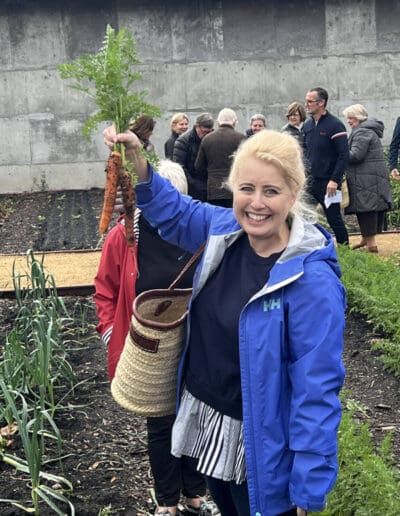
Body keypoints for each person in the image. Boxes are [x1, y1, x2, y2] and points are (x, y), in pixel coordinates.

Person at [103, 125, 346, 516]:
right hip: (209, 423)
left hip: (260, 445)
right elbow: (177, 212)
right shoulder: (225, 231)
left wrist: (309, 484)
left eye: (271, 191)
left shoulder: (310, 281)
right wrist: (139, 163)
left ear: (294, 195)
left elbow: (316, 390)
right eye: (246, 188)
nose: (256, 203)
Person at [94, 160, 219, 516]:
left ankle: (195, 495)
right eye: (163, 205)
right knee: (161, 422)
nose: (170, 216)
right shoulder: (126, 235)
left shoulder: (200, 233)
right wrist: (111, 335)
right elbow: (105, 290)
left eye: (177, 205)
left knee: (196, 417)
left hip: (196, 342)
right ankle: (167, 502)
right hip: (150, 347)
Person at [342, 104, 393, 253]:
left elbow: (356, 155)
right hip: (369, 178)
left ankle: (371, 246)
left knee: (366, 210)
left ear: (358, 118)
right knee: (367, 209)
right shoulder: (366, 131)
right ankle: (366, 239)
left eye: (351, 118)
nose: (349, 121)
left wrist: (339, 151)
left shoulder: (362, 132)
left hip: (366, 180)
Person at [302, 87, 349, 245]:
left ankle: (345, 249)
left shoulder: (335, 125)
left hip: (329, 183)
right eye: (306, 101)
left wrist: (334, 180)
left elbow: (344, 155)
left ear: (321, 103)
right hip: (310, 182)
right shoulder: (307, 126)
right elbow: (304, 152)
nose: (306, 104)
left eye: (310, 101)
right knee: (302, 215)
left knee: (333, 218)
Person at [195, 108, 245, 207]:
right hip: (234, 189)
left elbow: (198, 167)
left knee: (216, 219)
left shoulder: (207, 139)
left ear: (218, 122)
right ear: (234, 122)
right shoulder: (241, 139)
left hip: (213, 190)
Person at [173, 112, 214, 201]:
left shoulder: (213, 139)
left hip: (208, 186)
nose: (206, 135)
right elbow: (179, 167)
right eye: (204, 132)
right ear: (196, 127)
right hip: (192, 188)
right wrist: (195, 185)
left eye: (209, 132)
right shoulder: (183, 142)